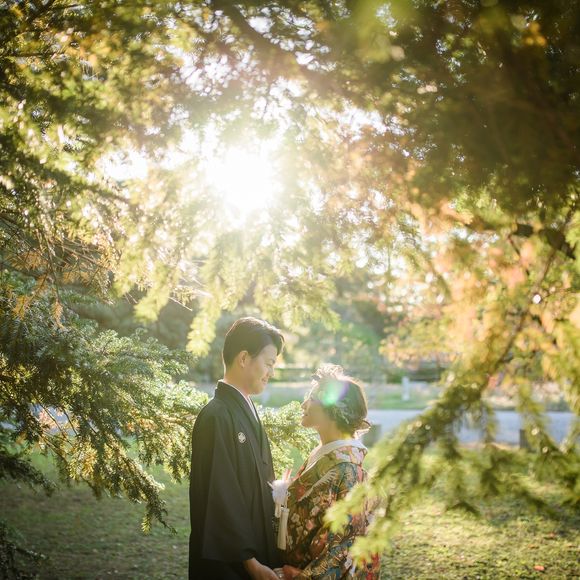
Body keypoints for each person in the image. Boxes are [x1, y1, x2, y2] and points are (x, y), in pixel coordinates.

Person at [189, 317, 285, 580]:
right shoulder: (216, 416)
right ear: (244, 358)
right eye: (269, 363)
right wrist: (250, 563)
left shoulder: (246, 409)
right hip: (231, 565)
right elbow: (221, 495)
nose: (271, 372)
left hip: (256, 551)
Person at [280, 365, 380, 579]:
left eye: (311, 399)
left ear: (333, 410)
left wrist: (301, 576)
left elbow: (346, 545)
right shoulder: (326, 455)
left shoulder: (348, 469)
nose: (303, 404)